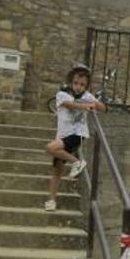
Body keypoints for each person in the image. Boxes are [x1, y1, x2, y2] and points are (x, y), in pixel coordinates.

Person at [44, 64, 105, 212]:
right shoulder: (62, 94)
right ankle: (52, 200)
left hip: (78, 134)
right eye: (76, 83)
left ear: (87, 86)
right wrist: (85, 105)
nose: (79, 87)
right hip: (62, 135)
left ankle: (77, 162)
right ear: (71, 82)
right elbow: (69, 105)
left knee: (50, 148)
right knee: (57, 170)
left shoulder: (87, 96)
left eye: (82, 85)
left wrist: (95, 103)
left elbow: (103, 108)